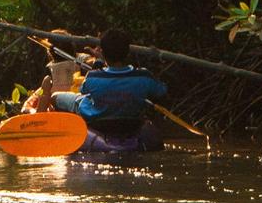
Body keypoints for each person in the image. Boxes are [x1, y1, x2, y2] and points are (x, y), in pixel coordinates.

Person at [34, 28, 167, 148]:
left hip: (97, 120)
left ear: (102, 53)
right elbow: (161, 91)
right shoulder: (144, 76)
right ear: (128, 53)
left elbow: (83, 90)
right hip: (130, 120)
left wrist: (98, 66)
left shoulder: (94, 77)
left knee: (55, 96)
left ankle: (43, 127)